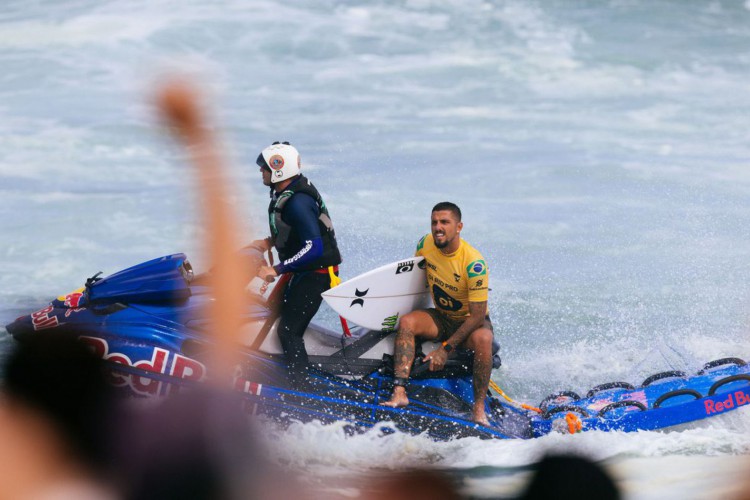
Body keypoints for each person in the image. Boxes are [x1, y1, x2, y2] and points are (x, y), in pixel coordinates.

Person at [382, 201, 494, 425]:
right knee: (407, 322)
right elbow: (414, 282)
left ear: (459, 227)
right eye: (434, 222)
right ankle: (400, 392)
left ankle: (478, 408)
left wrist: (445, 349)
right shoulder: (425, 244)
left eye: (445, 222)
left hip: (469, 322)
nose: (438, 227)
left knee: (484, 338)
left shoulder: (474, 264)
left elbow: (478, 316)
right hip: (442, 316)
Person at [253, 141, 342, 379]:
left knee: (289, 331)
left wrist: (277, 269)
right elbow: (293, 232)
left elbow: (313, 247)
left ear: (278, 169)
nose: (261, 172)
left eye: (264, 168)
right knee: (268, 312)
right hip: (304, 271)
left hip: (316, 276)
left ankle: (301, 393)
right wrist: (269, 242)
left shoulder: (298, 202)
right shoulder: (287, 192)